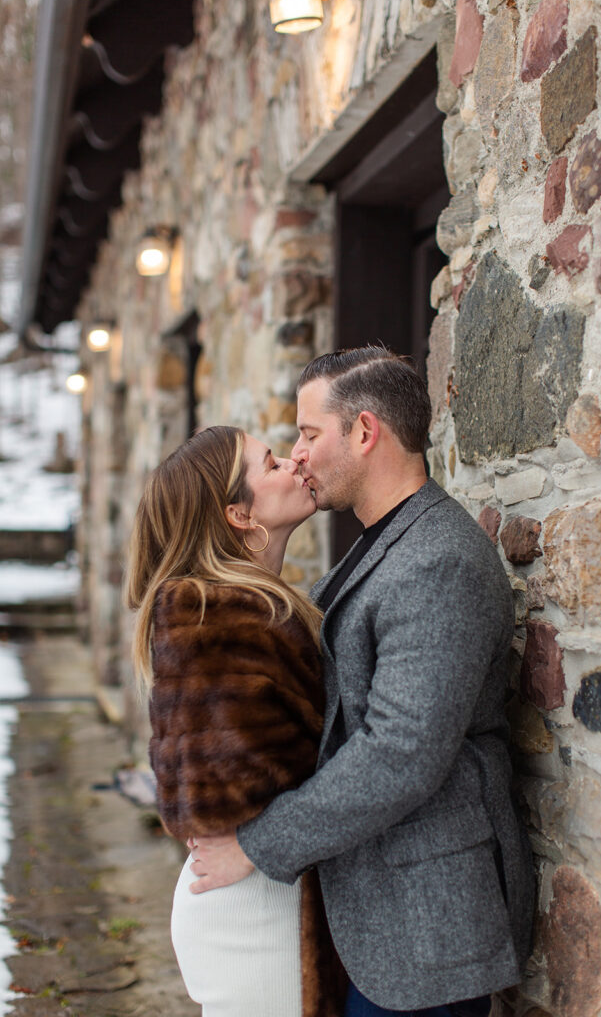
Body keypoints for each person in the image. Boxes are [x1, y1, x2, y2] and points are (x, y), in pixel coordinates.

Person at [189, 347, 536, 1017]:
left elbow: (400, 753)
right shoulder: (385, 543)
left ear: (364, 432)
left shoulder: (438, 561)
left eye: (309, 434)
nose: (297, 455)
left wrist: (258, 847)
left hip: (422, 923)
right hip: (374, 910)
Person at [125, 425, 345, 1017]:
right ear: (240, 515)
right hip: (252, 911)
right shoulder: (210, 614)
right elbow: (220, 789)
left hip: (264, 888)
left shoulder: (261, 605)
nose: (296, 463)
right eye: (272, 464)